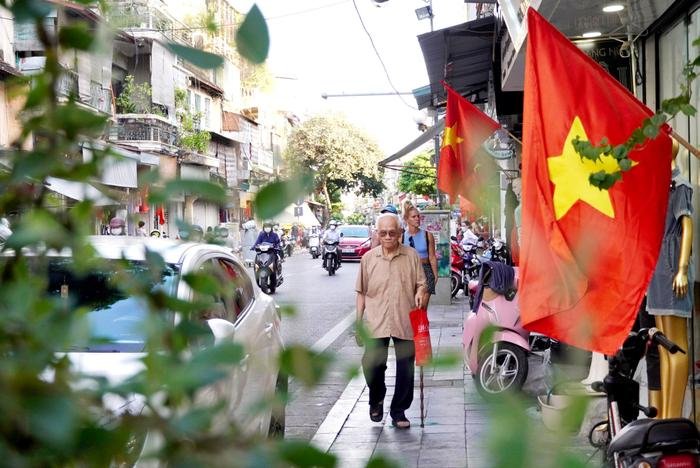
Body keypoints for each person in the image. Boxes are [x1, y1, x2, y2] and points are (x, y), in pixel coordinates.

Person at [355, 212, 427, 429]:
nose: (387, 237)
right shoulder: (368, 259)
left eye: (392, 233)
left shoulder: (411, 256)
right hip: (376, 321)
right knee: (371, 364)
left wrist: (420, 292)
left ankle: (399, 411)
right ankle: (377, 397)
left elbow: (422, 283)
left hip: (404, 318)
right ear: (377, 234)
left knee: (406, 367)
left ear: (400, 233)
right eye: (383, 233)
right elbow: (361, 292)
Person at [403, 204, 438, 308]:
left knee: (422, 307)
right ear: (406, 219)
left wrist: (435, 275)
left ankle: (421, 325)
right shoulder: (401, 237)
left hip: (425, 271)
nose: (417, 219)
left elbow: (432, 256)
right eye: (414, 217)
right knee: (411, 307)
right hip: (408, 272)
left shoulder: (427, 235)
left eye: (418, 216)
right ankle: (413, 325)